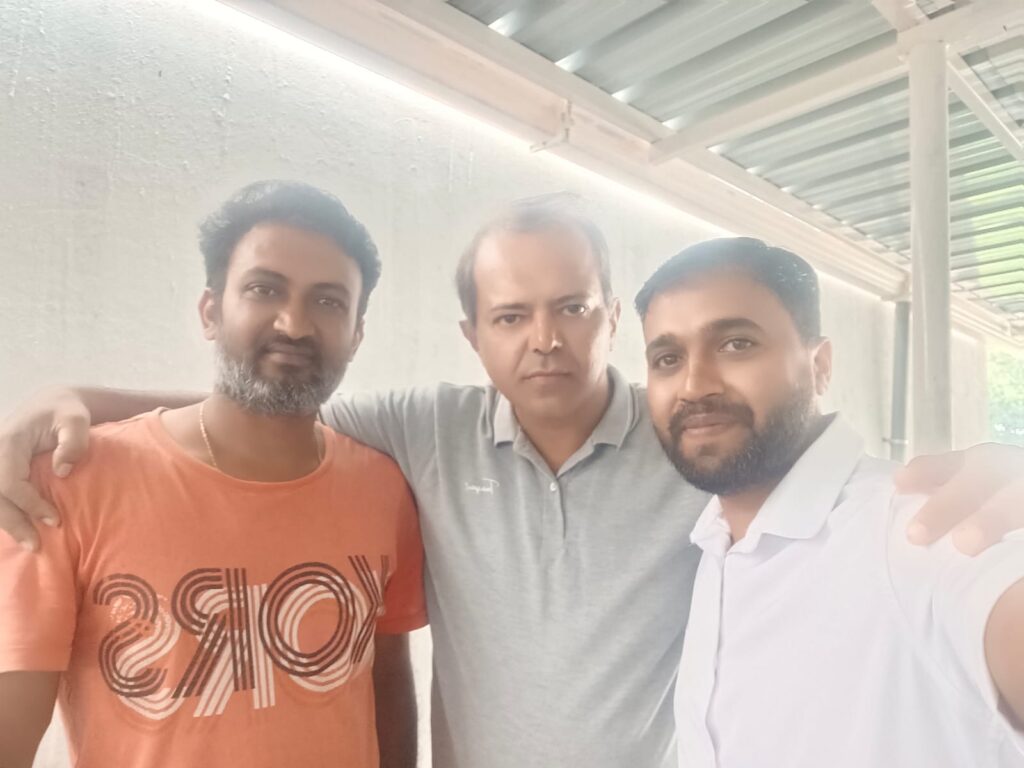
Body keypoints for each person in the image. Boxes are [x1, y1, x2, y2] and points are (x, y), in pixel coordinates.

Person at [3, 195, 1024, 768]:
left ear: (610, 318)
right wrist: (71, 397)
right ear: (472, 336)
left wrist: (998, 474)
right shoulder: (420, 431)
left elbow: (879, 513)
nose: (545, 339)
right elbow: (265, 399)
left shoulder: (696, 444)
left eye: (572, 307)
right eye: (510, 316)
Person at [0, 181, 426, 768]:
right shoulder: (70, 481)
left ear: (356, 334)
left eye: (328, 301)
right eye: (264, 289)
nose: (294, 324)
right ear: (211, 311)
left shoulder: (382, 487)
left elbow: (386, 676)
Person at [636, 237, 1024, 767]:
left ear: (819, 365)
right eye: (667, 358)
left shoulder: (919, 530)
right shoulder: (715, 545)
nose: (693, 385)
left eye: (736, 344)